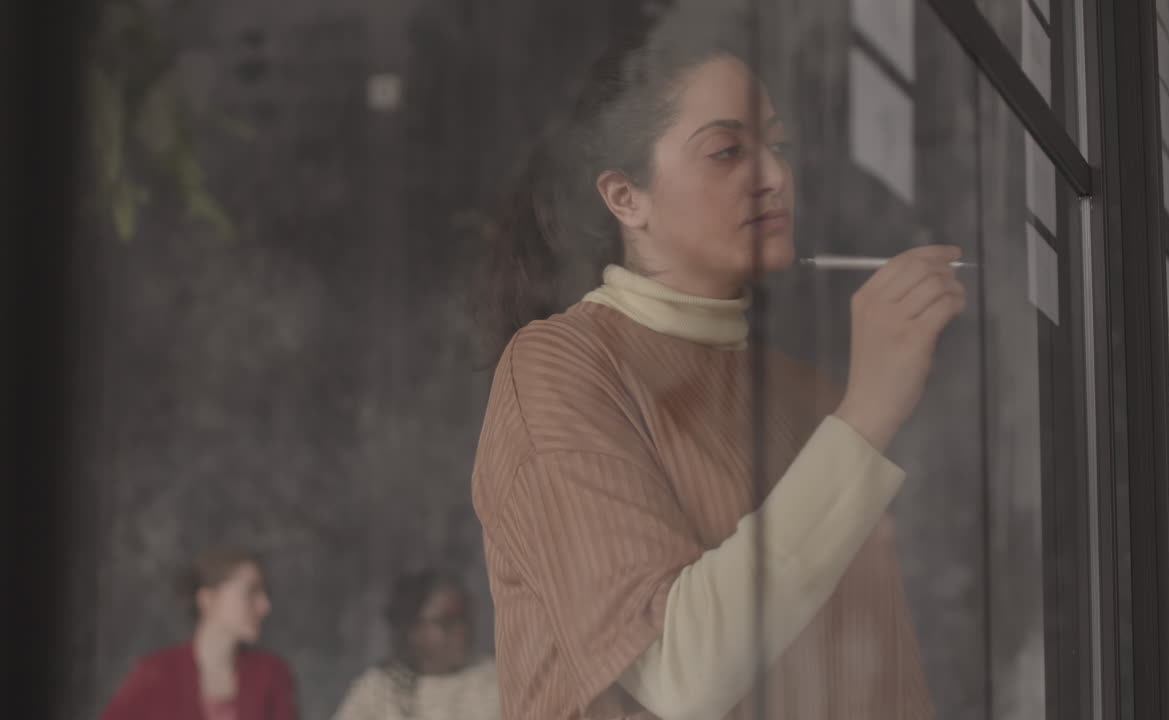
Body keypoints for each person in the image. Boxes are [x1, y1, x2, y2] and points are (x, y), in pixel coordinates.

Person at [471, 15, 966, 720]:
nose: (774, 177)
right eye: (728, 151)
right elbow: (681, 676)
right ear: (624, 197)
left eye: (779, 145)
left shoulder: (813, 396)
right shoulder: (563, 366)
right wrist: (871, 409)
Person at [99, 547, 298, 720]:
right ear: (207, 599)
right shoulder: (155, 672)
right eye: (251, 592)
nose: (265, 605)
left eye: (264, 594)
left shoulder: (272, 674)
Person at [331, 569, 500, 720]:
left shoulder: (495, 681)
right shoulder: (380, 687)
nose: (461, 631)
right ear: (412, 630)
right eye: (446, 622)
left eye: (464, 619)